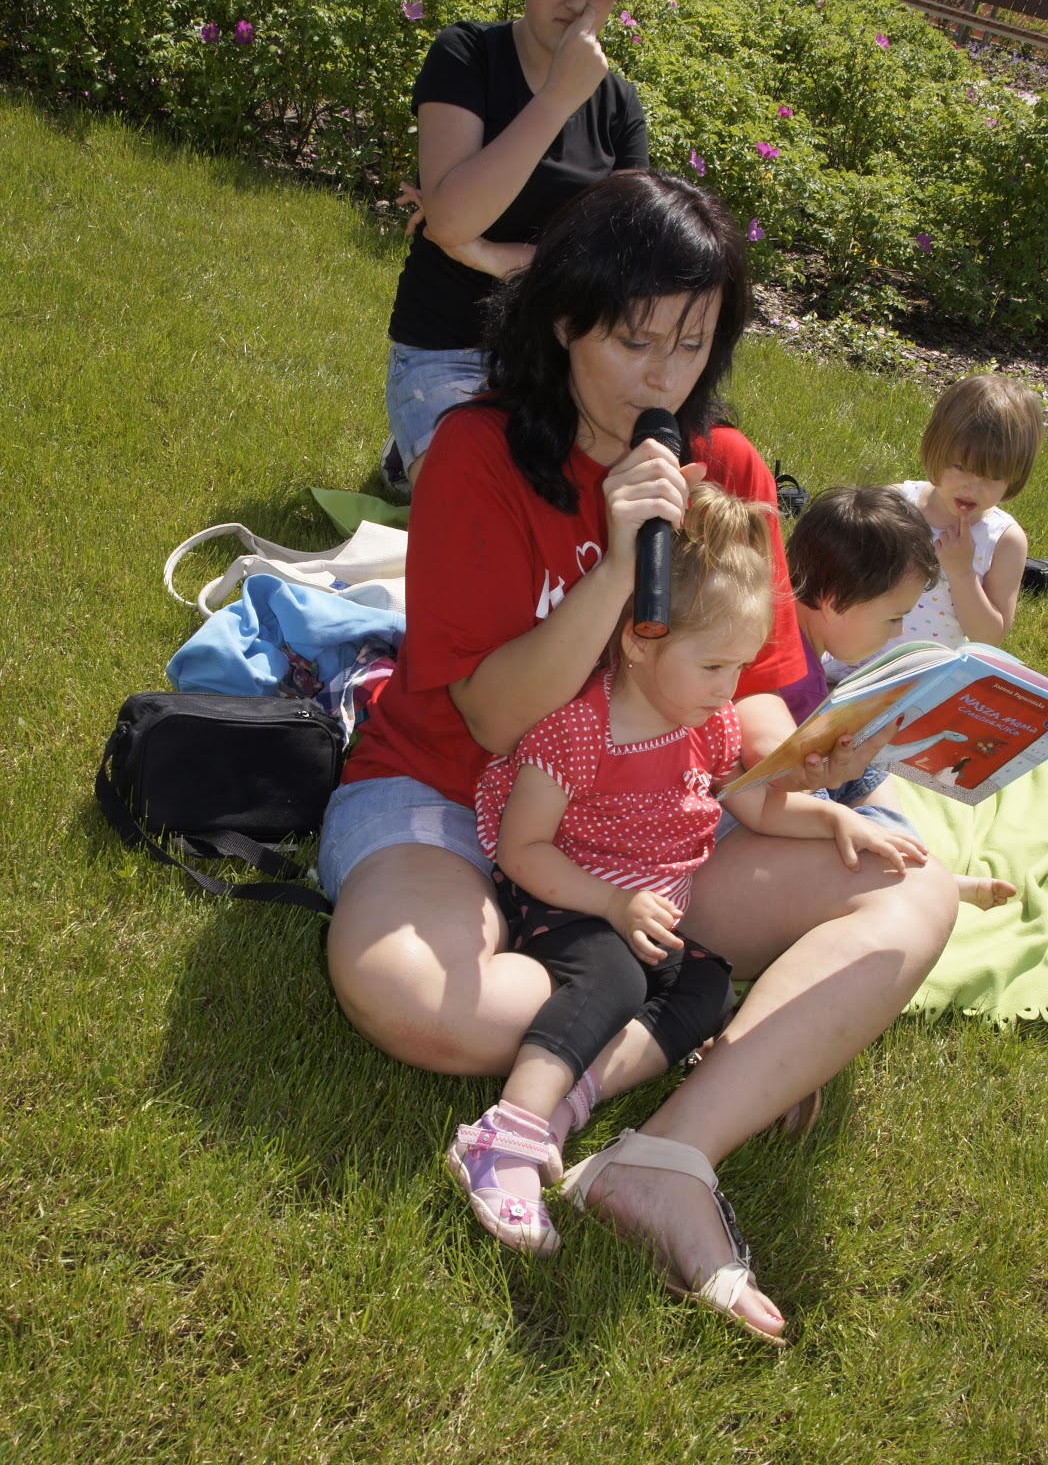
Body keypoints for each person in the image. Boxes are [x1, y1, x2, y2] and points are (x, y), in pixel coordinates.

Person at [322, 170, 959, 1345]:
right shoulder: (475, 455)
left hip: (646, 832)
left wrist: (805, 764)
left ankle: (663, 1157)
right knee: (410, 996)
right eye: (634, 340)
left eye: (692, 343)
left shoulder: (730, 467)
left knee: (910, 887)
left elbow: (751, 697)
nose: (663, 377)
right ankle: (689, 1017)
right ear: (565, 319)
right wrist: (620, 563)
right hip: (451, 789)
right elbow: (493, 716)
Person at [448, 488, 927, 1257]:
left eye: (738, 667)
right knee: (610, 981)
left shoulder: (709, 723)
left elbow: (756, 807)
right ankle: (504, 1137)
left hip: (645, 902)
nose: (726, 688)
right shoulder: (576, 730)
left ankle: (572, 1098)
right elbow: (520, 850)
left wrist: (833, 818)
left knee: (704, 989)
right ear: (639, 642)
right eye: (710, 665)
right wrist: (612, 904)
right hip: (565, 888)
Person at [384, 0, 647, 490]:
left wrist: (486, 254)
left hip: (567, 366)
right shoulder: (467, 55)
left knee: (600, 499)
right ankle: (427, 438)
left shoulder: (619, 105)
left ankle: (432, 446)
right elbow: (453, 220)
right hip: (449, 352)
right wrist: (557, 98)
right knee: (488, 508)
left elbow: (619, 271)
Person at [783, 485, 1017, 914]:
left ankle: (915, 864)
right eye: (893, 618)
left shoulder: (798, 645)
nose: (898, 632)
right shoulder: (792, 679)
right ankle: (920, 875)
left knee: (870, 777)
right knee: (857, 820)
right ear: (836, 603)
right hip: (789, 799)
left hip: (818, 770)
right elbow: (779, 790)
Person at [836, 375, 1044, 675]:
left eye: (992, 476)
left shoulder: (1003, 541)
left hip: (923, 677)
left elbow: (988, 637)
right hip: (850, 661)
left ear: (1014, 477)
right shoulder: (896, 504)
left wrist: (962, 572)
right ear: (936, 450)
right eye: (960, 467)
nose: (972, 487)